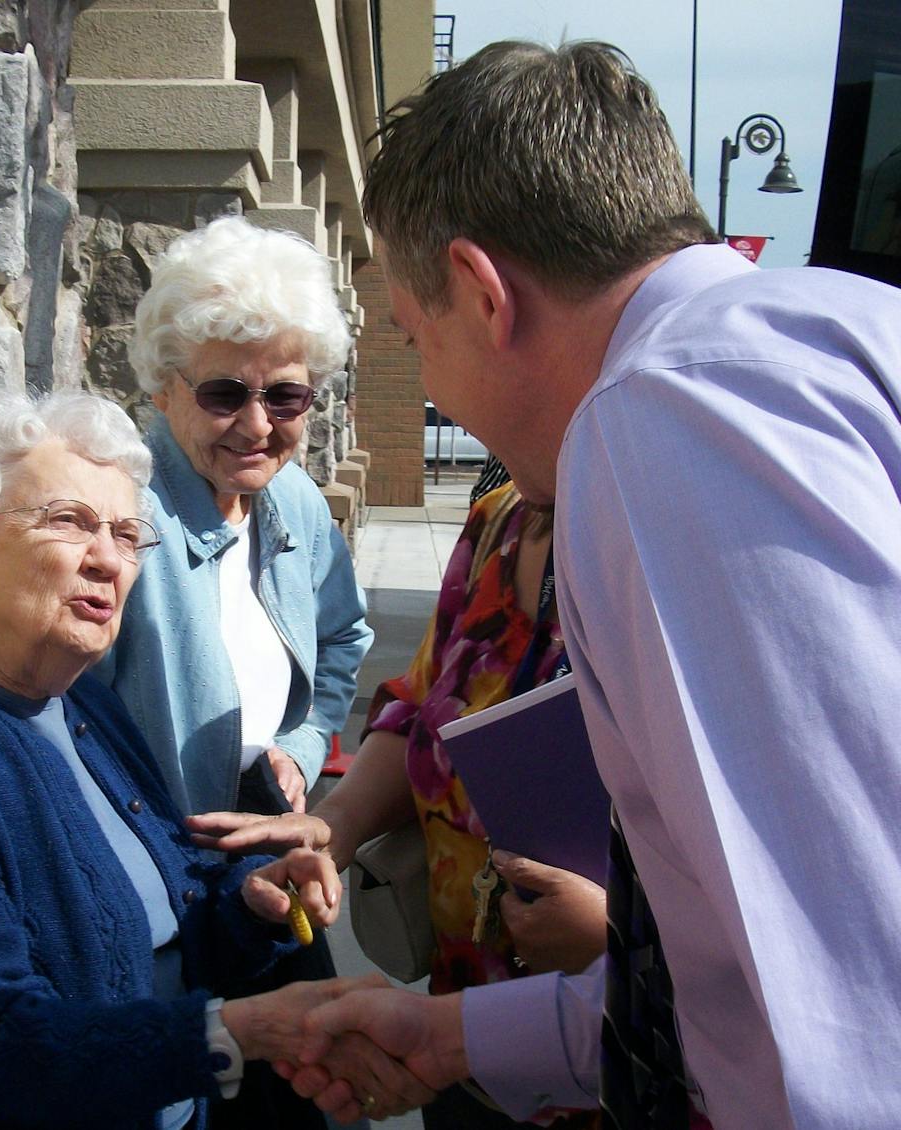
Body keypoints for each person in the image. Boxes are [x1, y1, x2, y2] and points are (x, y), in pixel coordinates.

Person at [278, 39, 901, 1130]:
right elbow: (745, 990)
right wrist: (450, 1034)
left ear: (478, 291)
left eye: (413, 336)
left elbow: (847, 1010)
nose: (426, 379)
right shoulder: (842, 328)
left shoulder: (662, 416)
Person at [0, 389, 413, 1129]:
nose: (108, 559)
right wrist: (237, 1032)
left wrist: (252, 903)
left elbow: (165, 913)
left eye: (129, 534)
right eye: (68, 522)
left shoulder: (78, 698)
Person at [192, 482, 605, 1130]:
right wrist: (337, 823)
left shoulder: (672, 547)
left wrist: (618, 938)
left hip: (617, 1066)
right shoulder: (498, 522)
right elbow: (418, 703)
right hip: (462, 1030)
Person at [96, 215, 373, 1128]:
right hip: (159, 883)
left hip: (265, 862)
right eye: (224, 394)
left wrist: (299, 744)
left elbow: (344, 638)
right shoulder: (119, 511)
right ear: (164, 387)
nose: (257, 426)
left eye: (286, 398)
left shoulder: (289, 498)